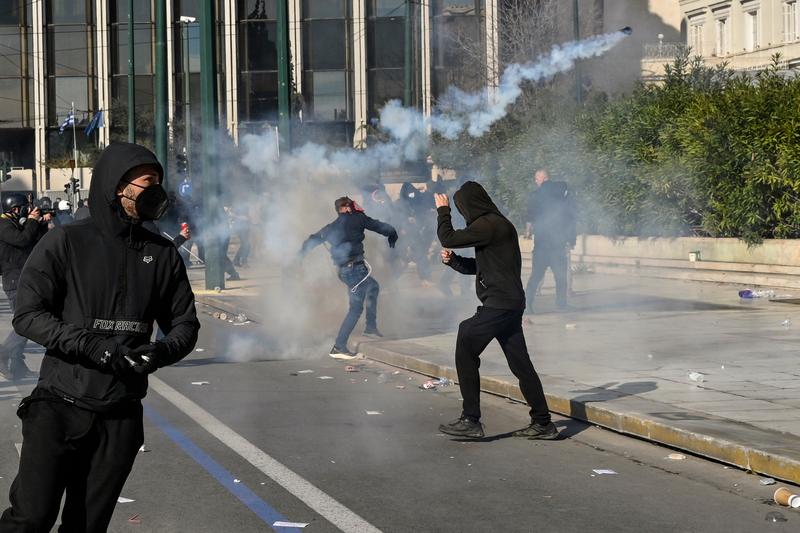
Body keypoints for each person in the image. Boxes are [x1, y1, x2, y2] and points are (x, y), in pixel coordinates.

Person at [0, 142, 200, 532]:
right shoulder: (66, 242)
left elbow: (185, 324)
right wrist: (91, 345)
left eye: (158, 182)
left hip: (120, 413)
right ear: (116, 186)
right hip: (58, 405)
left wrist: (161, 352)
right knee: (31, 518)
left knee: (87, 525)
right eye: (146, 183)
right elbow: (28, 315)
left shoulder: (161, 254)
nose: (154, 191)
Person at [434, 181, 557, 440]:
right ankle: (543, 422)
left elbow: (449, 238)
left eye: (461, 208)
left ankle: (471, 419)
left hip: (500, 304)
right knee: (521, 364)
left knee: (466, 336)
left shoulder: (488, 224)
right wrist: (454, 262)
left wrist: (443, 211)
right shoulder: (495, 226)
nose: (462, 214)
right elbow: (481, 267)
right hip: (509, 304)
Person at [300, 196, 397, 359]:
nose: (354, 206)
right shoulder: (357, 218)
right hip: (355, 270)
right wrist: (392, 234)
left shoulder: (331, 227)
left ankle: (370, 327)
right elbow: (380, 227)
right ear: (344, 208)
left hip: (345, 271)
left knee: (373, 287)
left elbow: (311, 240)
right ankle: (339, 346)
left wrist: (300, 256)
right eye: (351, 204)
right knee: (355, 308)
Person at [0, 193, 51, 379]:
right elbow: (22, 240)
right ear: (15, 209)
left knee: (25, 321)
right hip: (14, 280)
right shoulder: (3, 225)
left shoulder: (15, 224)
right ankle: (4, 353)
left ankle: (17, 365)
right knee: (26, 322)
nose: (28, 211)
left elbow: (34, 243)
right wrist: (31, 221)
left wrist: (41, 223)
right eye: (24, 208)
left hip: (23, 278)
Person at [525, 169, 576, 312]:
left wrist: (528, 231)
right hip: (558, 243)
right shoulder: (561, 193)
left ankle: (528, 305)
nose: (536, 182)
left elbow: (530, 215)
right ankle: (561, 304)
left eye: (536, 179)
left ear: (543, 178)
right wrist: (571, 239)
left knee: (536, 275)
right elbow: (570, 216)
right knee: (560, 276)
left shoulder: (535, 195)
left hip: (541, 244)